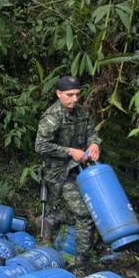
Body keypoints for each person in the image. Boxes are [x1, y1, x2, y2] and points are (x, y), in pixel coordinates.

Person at [34, 75, 101, 265]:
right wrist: (69, 151)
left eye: (77, 94)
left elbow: (92, 132)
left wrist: (94, 144)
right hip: (59, 174)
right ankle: (81, 264)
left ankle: (51, 220)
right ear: (58, 94)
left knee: (92, 208)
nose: (75, 99)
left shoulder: (81, 112)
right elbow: (40, 146)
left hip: (80, 171)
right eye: (69, 95)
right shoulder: (52, 117)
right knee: (85, 213)